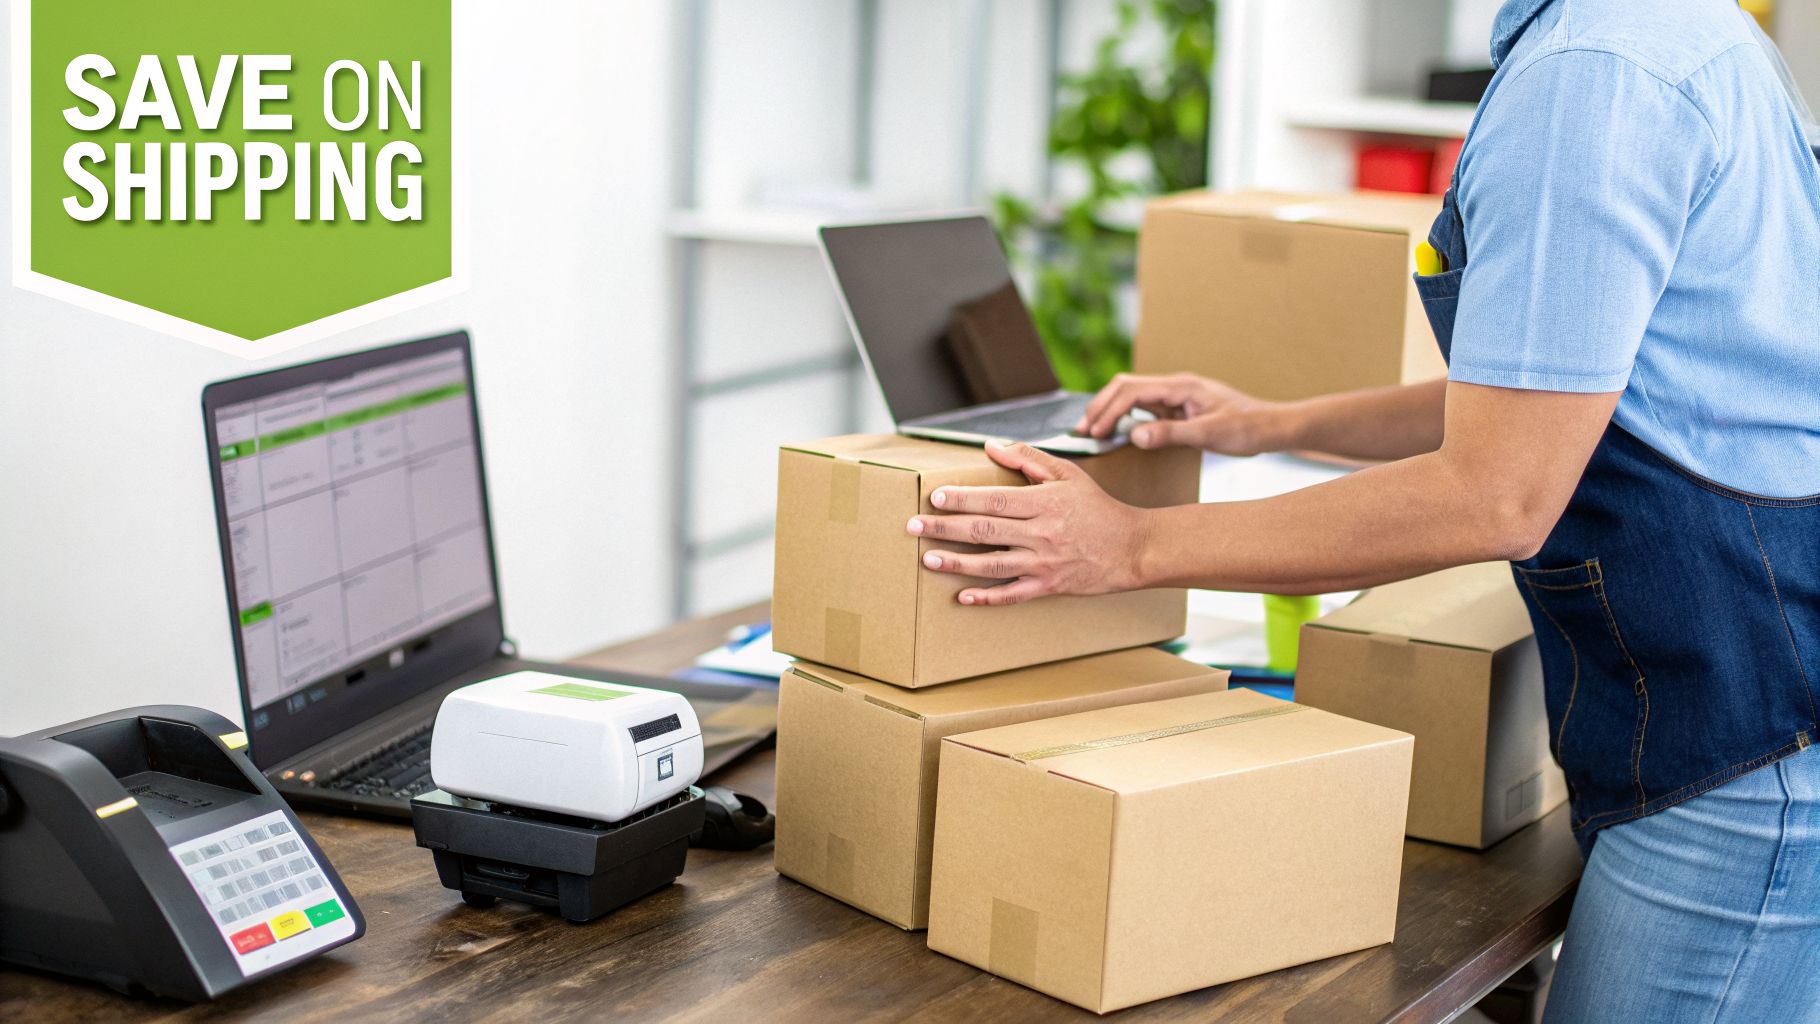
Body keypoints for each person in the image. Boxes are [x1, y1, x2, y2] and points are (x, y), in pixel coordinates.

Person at [903, 1, 1820, 1020]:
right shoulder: (1680, 32)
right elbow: (1548, 390)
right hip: (1739, 709)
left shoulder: (1591, 77)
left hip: (1740, 745)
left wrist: (1131, 543)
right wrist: (1265, 423)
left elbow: (1497, 492)